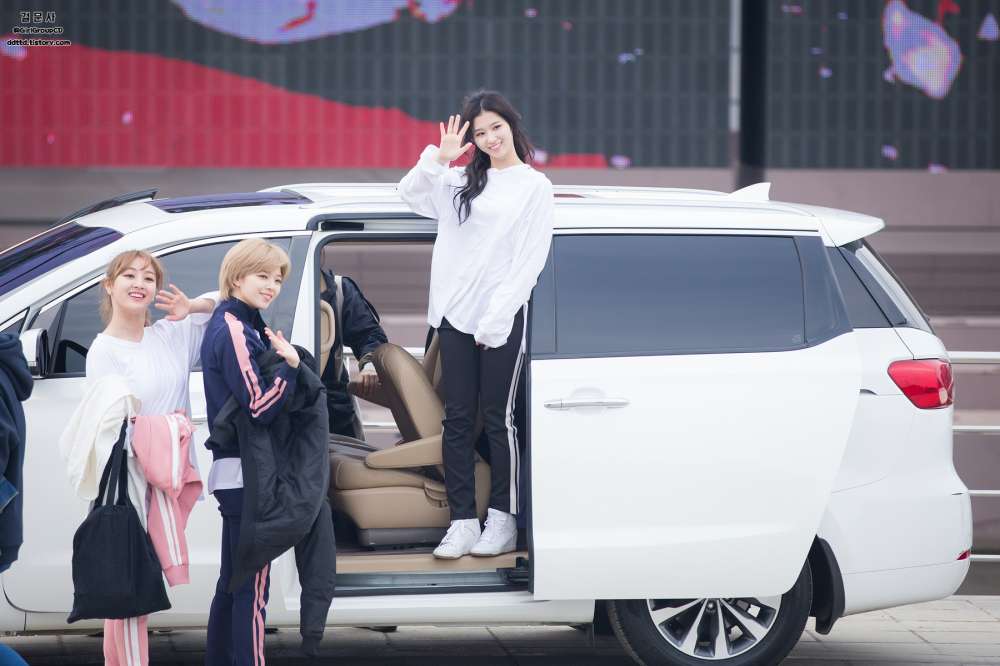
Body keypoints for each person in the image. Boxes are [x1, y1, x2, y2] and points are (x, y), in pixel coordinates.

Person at [398, 90, 555, 559]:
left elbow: (530, 259)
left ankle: (502, 520)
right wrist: (439, 157)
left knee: (498, 419)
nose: (490, 139)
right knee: (457, 420)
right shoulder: (459, 180)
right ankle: (463, 521)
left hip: (501, 316)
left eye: (496, 128)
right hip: (454, 315)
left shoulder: (534, 186)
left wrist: (497, 318)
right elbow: (410, 195)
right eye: (481, 132)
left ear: (512, 125)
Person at [82, 249, 216, 666]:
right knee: (130, 587)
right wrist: (171, 427)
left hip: (172, 480)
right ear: (109, 285)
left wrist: (192, 306)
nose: (139, 283)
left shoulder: (170, 334)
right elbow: (112, 427)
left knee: (135, 585)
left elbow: (227, 303)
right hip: (132, 483)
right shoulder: (103, 351)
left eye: (148, 277)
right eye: (129, 275)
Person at [200, 239, 301, 665]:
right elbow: (259, 406)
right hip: (248, 475)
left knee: (234, 583)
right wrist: (291, 367)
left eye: (277, 279)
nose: (272, 286)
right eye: (263, 276)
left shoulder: (238, 321)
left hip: (235, 473)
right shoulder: (235, 329)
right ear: (237, 277)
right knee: (252, 591)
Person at [318, 270, 387, 439]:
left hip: (333, 411)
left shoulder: (339, 289)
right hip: (279, 408)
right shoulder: (267, 292)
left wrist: (370, 365)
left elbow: (369, 335)